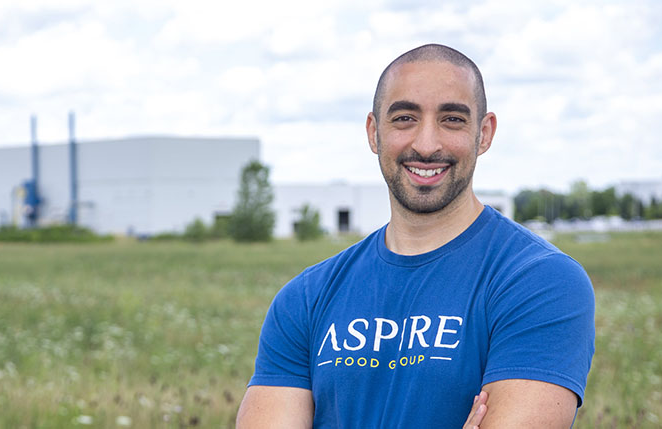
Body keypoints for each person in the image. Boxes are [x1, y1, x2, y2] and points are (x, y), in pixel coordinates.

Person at [235, 44, 595, 428]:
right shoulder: (305, 298)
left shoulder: (541, 283)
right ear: (374, 133)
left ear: (484, 134)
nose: (426, 145)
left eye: (452, 120)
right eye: (405, 118)